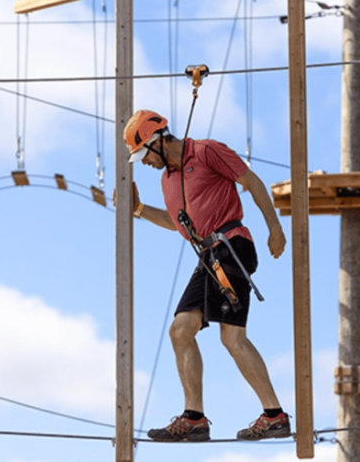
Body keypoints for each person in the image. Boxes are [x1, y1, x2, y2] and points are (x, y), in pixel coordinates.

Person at [123, 110, 290, 442]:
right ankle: (194, 419)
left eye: (143, 154)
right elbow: (178, 223)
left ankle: (275, 416)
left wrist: (275, 228)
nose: (144, 162)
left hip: (232, 247)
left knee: (232, 338)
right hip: (207, 255)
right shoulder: (167, 180)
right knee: (181, 330)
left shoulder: (206, 151)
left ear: (158, 141)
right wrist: (139, 210)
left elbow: (251, 182)